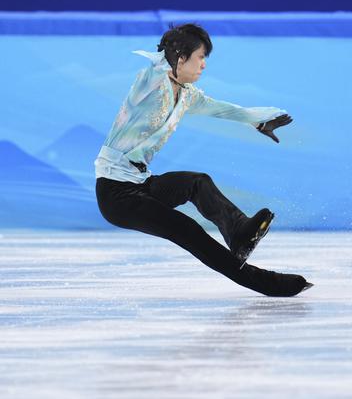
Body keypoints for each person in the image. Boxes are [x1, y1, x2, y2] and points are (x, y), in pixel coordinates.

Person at [94, 23, 312, 297]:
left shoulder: (186, 95)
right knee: (186, 229)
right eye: (201, 57)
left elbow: (222, 109)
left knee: (197, 183)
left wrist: (258, 121)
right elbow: (155, 68)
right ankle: (262, 281)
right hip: (115, 194)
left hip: (140, 184)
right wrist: (167, 55)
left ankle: (239, 232)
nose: (204, 65)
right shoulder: (149, 83)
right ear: (180, 57)